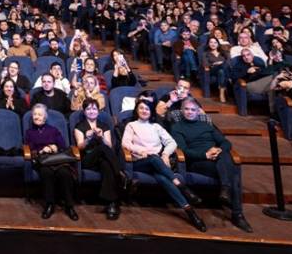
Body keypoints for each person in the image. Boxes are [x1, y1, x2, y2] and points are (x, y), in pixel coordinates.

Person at [122, 100, 207, 231]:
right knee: (154, 158)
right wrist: (140, 151)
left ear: (151, 112)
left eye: (147, 109)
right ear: (137, 110)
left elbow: (171, 142)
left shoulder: (156, 126)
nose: (144, 111)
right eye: (141, 108)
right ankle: (181, 185)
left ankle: (190, 212)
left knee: (162, 177)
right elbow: (125, 143)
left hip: (157, 164)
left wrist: (166, 154)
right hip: (140, 162)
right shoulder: (131, 125)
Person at [170, 98, 251, 232]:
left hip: (216, 158)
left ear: (198, 112)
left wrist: (219, 150)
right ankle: (237, 213)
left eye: (193, 110)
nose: (190, 112)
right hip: (197, 162)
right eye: (187, 109)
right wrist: (205, 155)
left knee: (225, 156)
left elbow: (225, 143)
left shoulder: (207, 125)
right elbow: (183, 150)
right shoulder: (177, 127)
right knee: (233, 172)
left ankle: (228, 195)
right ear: (182, 110)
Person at [25, 104, 78, 220]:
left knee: (64, 173)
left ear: (45, 117)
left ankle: (69, 206)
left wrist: (54, 147)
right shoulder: (29, 132)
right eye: (35, 114)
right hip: (42, 160)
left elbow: (63, 146)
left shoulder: (53, 130)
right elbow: (30, 148)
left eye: (40, 114)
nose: (37, 117)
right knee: (46, 173)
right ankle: (49, 204)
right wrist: (42, 150)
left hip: (57, 159)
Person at [73, 98, 123, 219]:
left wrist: (101, 137)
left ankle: (111, 203)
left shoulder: (104, 126)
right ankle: (120, 174)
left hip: (102, 159)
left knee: (106, 164)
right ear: (84, 111)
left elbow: (110, 146)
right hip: (87, 159)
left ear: (98, 111)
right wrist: (88, 138)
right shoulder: (79, 126)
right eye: (88, 109)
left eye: (94, 109)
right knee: (102, 149)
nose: (91, 111)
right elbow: (79, 146)